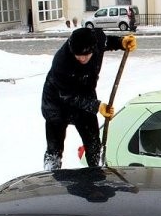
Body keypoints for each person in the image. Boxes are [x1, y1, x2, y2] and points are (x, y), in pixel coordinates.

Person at [41, 27, 137, 171]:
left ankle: (95, 174)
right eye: (78, 55)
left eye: (86, 55)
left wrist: (121, 42)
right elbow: (68, 96)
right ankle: (51, 176)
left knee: (93, 142)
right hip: (56, 102)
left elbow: (106, 42)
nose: (83, 58)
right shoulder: (61, 62)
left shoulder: (97, 39)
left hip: (85, 95)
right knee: (54, 148)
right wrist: (97, 106)